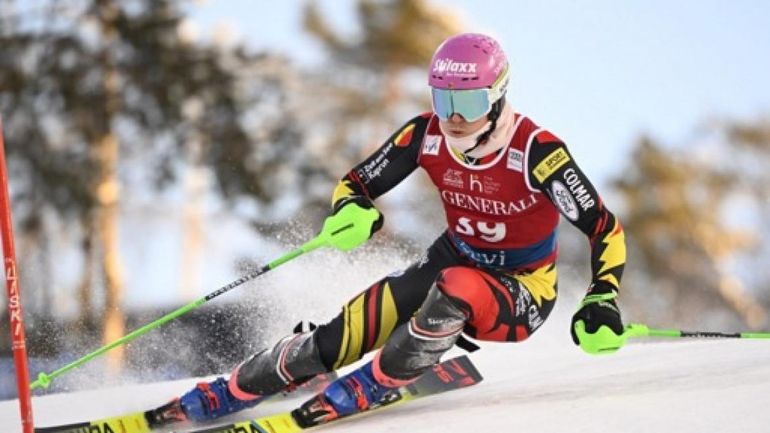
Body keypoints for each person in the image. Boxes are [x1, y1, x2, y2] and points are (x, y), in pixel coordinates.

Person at [148, 32, 627, 428]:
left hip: (522, 289)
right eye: (445, 99)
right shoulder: (426, 134)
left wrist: (601, 298)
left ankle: (376, 382)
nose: (456, 116)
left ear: (499, 97)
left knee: (456, 288)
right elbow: (355, 182)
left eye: (471, 101)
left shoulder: (539, 154)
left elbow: (603, 228)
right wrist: (352, 210)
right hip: (452, 260)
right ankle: (229, 390)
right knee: (340, 335)